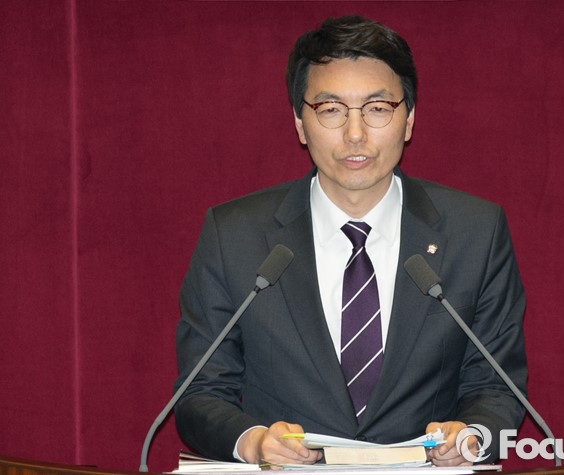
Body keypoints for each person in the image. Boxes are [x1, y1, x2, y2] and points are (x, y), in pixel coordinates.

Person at [174, 15, 527, 467]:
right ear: (300, 123)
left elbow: (497, 387)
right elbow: (200, 393)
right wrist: (255, 442)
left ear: (409, 120)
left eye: (377, 108)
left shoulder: (475, 231)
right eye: (331, 109)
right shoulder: (234, 235)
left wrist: (471, 435)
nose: (355, 134)